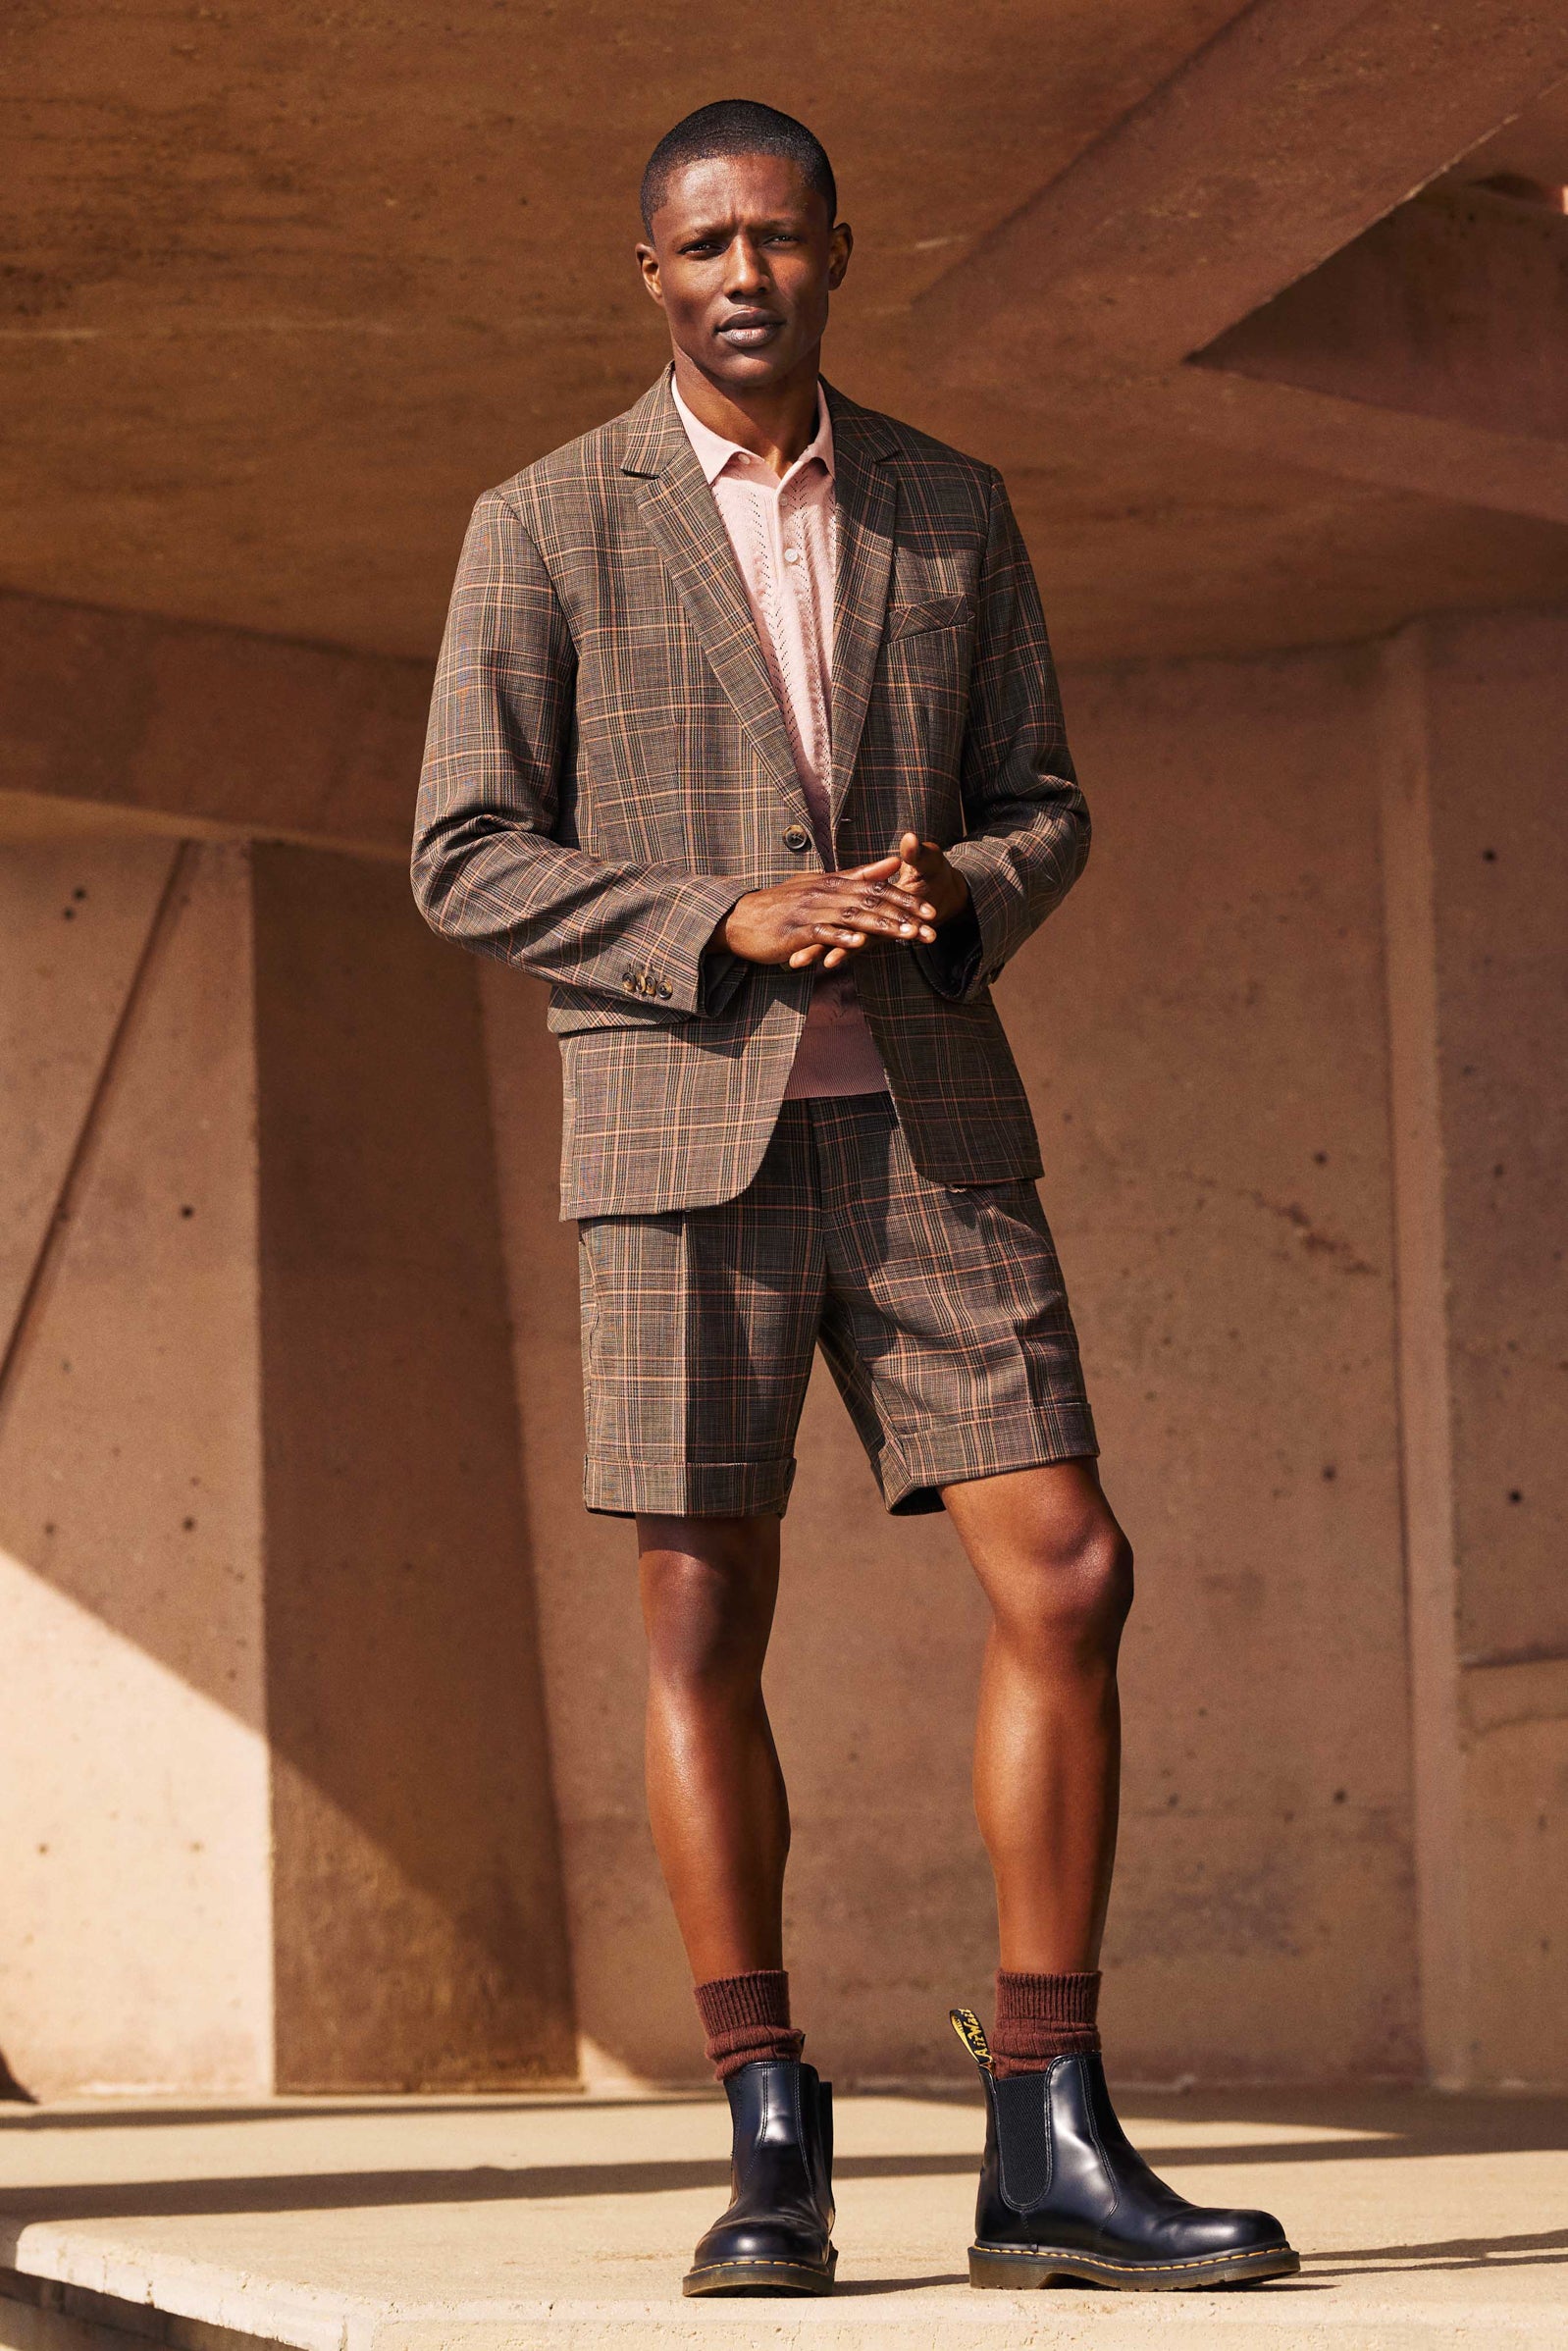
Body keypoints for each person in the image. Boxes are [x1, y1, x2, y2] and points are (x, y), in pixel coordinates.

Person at [413, 96, 1297, 2300]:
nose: (743, 275)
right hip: (673, 1143)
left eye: (779, 240)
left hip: (925, 1120)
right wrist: (728, 918)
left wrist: (946, 893)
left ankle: (1045, 2127)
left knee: (1070, 1566)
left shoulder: (945, 508)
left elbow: (1043, 803)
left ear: (835, 254)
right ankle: (771, 2137)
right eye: (703, 243)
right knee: (706, 1622)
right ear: (650, 271)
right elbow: (463, 851)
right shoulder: (542, 525)